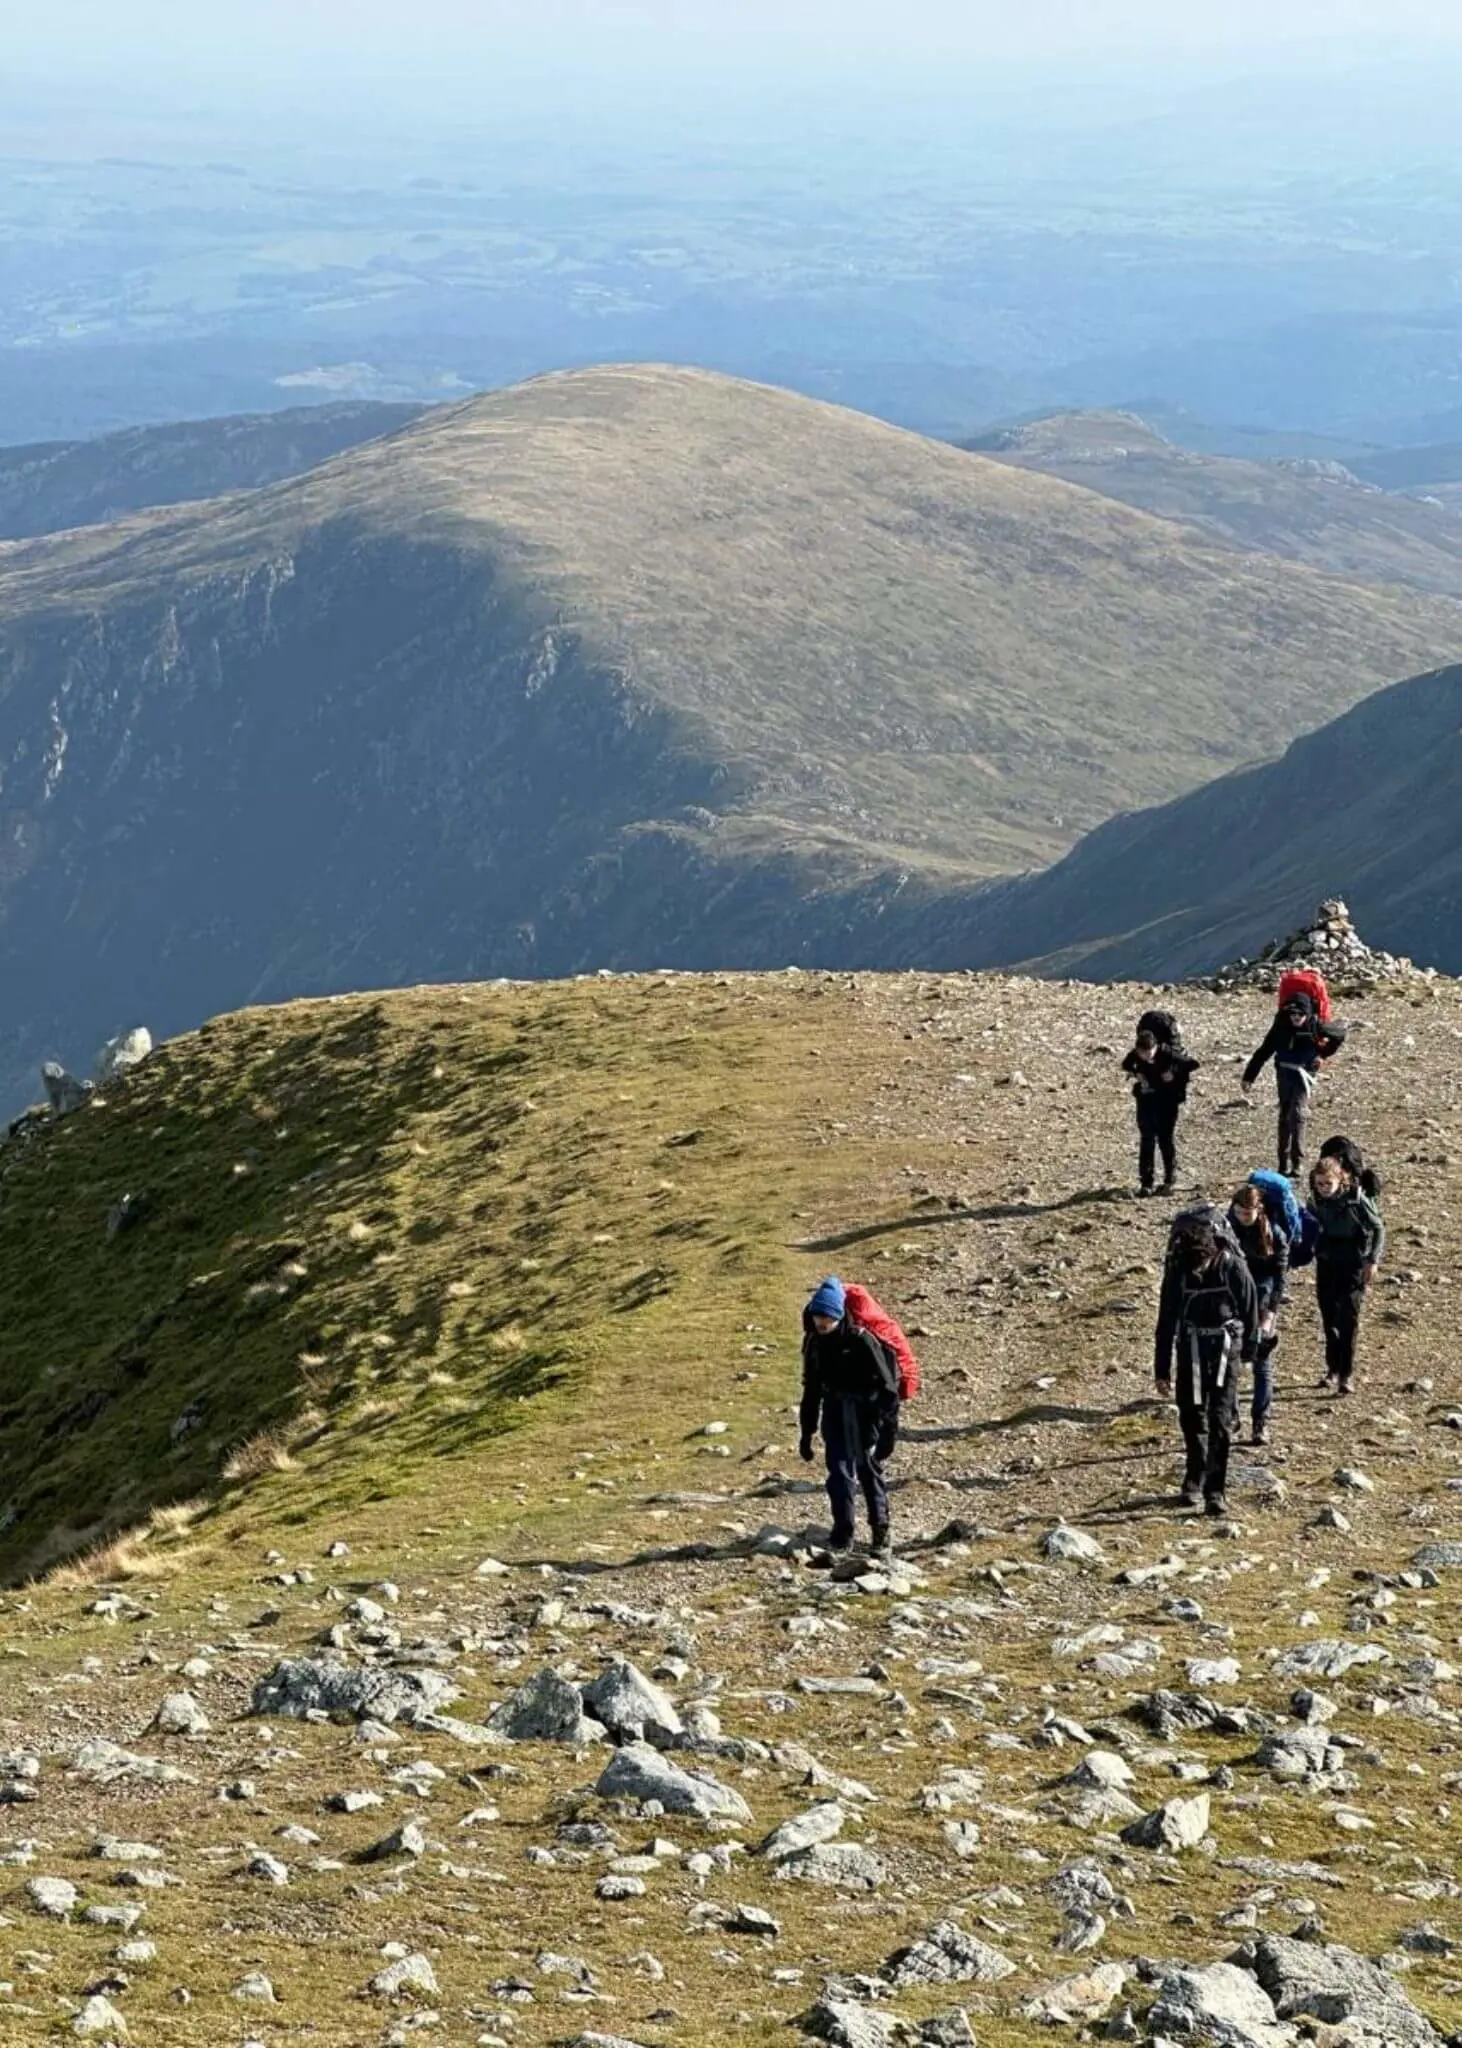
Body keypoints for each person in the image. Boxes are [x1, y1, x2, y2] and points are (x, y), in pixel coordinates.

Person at [1154, 1211, 1260, 1516]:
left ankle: (1216, 1490)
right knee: (1191, 1414)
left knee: (1220, 1417)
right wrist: (1162, 1370)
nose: (1197, 1271)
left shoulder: (1233, 1267)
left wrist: (1250, 1351)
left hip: (1226, 1349)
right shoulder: (1178, 1270)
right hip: (1190, 1348)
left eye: (1201, 1264)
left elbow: (1250, 1309)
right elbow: (1166, 1320)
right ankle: (1194, 1478)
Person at [799, 1276, 900, 1559]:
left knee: (868, 1470)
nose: (822, 1322)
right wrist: (806, 1434)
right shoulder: (814, 1342)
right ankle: (843, 1535)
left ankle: (881, 1532)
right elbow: (811, 1391)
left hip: (865, 1413)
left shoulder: (862, 1340)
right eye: (818, 1315)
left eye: (828, 1316)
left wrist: (889, 1433)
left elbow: (889, 1390)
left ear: (839, 1315)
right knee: (839, 1475)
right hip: (834, 1412)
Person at [1242, 993, 1347, 1177]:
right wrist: (1249, 1077)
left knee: (1297, 1113)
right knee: (1284, 1114)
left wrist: (1322, 1055)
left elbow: (1339, 1035)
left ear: (1307, 1014)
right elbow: (1264, 1051)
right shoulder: (1280, 1028)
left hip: (1304, 1074)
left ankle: (1297, 1163)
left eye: (1300, 1014)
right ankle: (1283, 1164)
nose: (1297, 1018)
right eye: (1293, 1014)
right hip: (1284, 1073)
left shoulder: (1315, 1026)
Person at [1309, 1153, 1385, 1397]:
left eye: (1327, 1184)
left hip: (1352, 1263)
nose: (1323, 1189)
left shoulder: (1356, 1200)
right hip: (1327, 1262)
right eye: (1319, 1184)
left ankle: (1346, 1373)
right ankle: (1331, 1367)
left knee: (1349, 1319)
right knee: (1329, 1318)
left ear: (1340, 1180)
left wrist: (1372, 1260)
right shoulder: (1314, 1201)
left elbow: (1378, 1227)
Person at [1228, 1182, 1290, 1446]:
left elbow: (1279, 1277)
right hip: (1231, 1302)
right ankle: (1230, 1416)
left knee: (1261, 1364)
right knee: (1228, 1363)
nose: (1243, 1218)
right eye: (1239, 1212)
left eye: (1248, 1213)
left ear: (1259, 1209)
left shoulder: (1274, 1233)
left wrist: (1271, 1313)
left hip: (1263, 1301)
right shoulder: (1225, 1231)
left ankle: (1260, 1423)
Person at [1122, 1015, 1199, 1197]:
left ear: (1156, 1046)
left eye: (1150, 1052)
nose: (1147, 1056)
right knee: (1147, 1139)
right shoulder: (1135, 1055)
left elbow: (1193, 1064)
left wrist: (1172, 1073)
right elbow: (1126, 1064)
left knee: (1165, 1138)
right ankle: (1146, 1182)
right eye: (1143, 1053)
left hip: (1167, 1100)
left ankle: (1169, 1180)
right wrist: (1136, 1073)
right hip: (1146, 1099)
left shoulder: (1167, 1052)